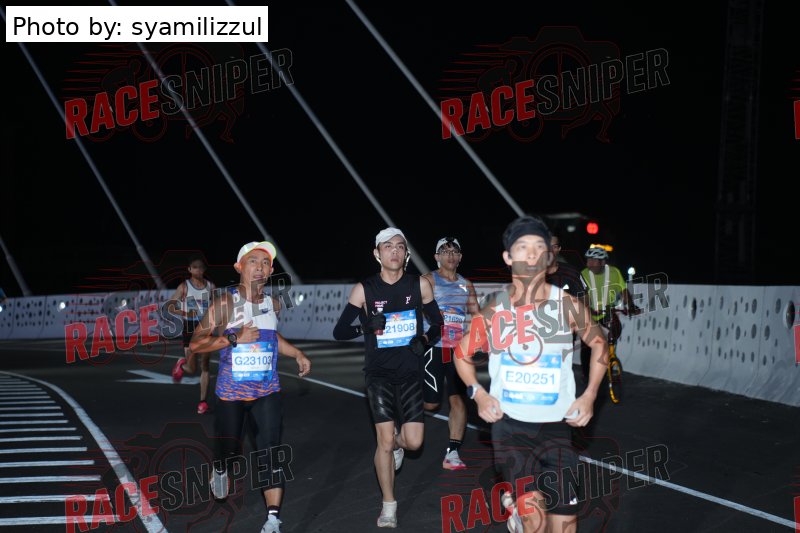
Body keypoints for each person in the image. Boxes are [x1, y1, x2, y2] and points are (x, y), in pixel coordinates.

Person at [453, 215, 608, 533]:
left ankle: (513, 503)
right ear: (508, 257)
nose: (532, 254)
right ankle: (518, 504)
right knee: (535, 523)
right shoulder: (495, 309)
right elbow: (461, 353)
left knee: (565, 527)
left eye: (539, 247)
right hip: (511, 429)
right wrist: (478, 394)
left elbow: (599, 343)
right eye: (522, 247)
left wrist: (590, 395)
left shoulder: (566, 305)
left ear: (549, 257)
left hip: (557, 429)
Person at [189, 241, 311, 533]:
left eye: (265, 263)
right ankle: (220, 467)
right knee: (230, 448)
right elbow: (196, 343)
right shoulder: (225, 303)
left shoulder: (273, 304)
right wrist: (233, 338)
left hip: (267, 392)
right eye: (253, 261)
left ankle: (273, 519)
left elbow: (271, 337)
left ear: (270, 270)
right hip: (231, 395)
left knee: (270, 451)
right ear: (239, 267)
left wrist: (297, 353)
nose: (260, 267)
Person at [332, 227, 443, 528]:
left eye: (400, 246)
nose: (394, 251)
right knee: (382, 441)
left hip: (410, 372)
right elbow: (340, 331)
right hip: (378, 373)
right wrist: (365, 327)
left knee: (414, 442)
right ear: (377, 253)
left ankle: (397, 444)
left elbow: (438, 323)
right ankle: (389, 505)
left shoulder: (419, 285)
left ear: (406, 254)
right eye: (388, 246)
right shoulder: (364, 289)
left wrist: (426, 340)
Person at [421, 237, 479, 471]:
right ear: (437, 257)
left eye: (455, 251)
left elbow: (476, 315)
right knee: (431, 404)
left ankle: (452, 452)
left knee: (458, 400)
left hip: (457, 352)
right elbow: (411, 309)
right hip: (433, 349)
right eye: (445, 252)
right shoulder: (427, 280)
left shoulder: (466, 285)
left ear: (460, 257)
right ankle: (407, 416)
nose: (451, 256)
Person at [579, 246, 642, 381]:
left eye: (593, 260)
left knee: (612, 335)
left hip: (607, 312)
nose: (589, 263)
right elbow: (581, 296)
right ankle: (586, 374)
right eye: (588, 260)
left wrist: (630, 305)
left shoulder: (614, 272)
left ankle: (608, 363)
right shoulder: (583, 274)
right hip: (589, 313)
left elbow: (623, 290)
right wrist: (588, 309)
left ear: (602, 262)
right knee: (587, 346)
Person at [170, 255, 217, 415]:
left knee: (205, 366)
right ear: (189, 270)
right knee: (191, 368)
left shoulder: (210, 286)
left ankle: (203, 402)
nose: (198, 270)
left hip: (205, 327)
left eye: (200, 267)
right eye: (194, 267)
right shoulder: (184, 286)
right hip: (189, 327)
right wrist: (184, 312)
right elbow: (171, 305)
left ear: (204, 270)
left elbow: (216, 306)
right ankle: (182, 364)